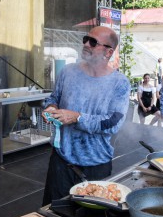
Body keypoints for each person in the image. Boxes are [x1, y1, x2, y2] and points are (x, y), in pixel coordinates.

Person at [41, 26, 130, 206]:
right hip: (61, 161)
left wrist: (77, 117)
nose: (86, 44)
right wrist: (50, 107)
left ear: (109, 52)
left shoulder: (119, 83)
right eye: (86, 39)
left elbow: (113, 123)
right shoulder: (68, 72)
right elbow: (54, 97)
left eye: (93, 42)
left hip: (96, 165)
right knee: (53, 214)